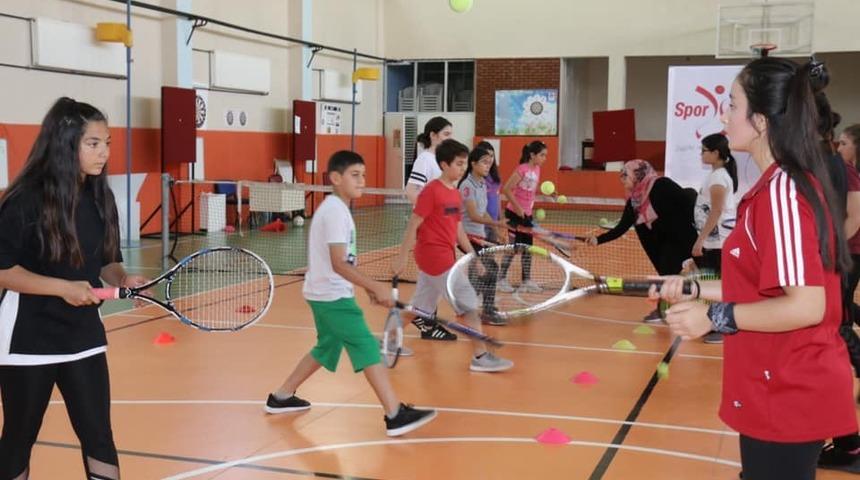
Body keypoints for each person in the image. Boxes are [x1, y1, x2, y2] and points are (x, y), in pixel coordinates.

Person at [652, 57, 857, 480]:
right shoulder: (778, 184)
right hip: (776, 383)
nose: (723, 114)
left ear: (760, 120)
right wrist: (694, 289)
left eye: (731, 104)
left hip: (788, 388)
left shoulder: (782, 191)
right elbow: (762, 287)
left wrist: (713, 317)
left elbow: (806, 306)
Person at [0, 97, 150, 480]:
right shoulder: (23, 200)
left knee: (99, 435)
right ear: (66, 144)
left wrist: (122, 278)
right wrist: (60, 288)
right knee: (18, 439)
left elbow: (105, 262)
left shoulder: (101, 198)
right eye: (93, 143)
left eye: (108, 143)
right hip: (27, 339)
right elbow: (3, 270)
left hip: (84, 335)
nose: (104, 153)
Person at [265, 150, 436, 437]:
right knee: (367, 347)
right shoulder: (334, 211)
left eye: (364, 175)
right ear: (335, 178)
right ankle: (395, 414)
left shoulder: (339, 209)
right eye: (355, 175)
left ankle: (281, 397)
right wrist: (374, 286)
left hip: (327, 292)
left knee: (326, 348)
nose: (362, 181)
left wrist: (365, 287)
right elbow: (338, 261)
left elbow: (345, 262)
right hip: (331, 296)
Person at [393, 139, 513, 372]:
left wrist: (473, 257)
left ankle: (387, 341)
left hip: (444, 253)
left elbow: (458, 230)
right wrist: (401, 256)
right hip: (433, 255)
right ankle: (480, 356)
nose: (462, 168)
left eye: (464, 163)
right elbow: (414, 222)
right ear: (444, 165)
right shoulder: (431, 191)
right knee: (467, 302)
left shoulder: (455, 194)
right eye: (458, 164)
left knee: (420, 308)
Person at [587, 159, 698, 323]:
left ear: (637, 175)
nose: (622, 180)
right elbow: (622, 226)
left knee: (684, 274)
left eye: (625, 176)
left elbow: (689, 196)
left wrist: (700, 232)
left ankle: (671, 310)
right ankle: (672, 309)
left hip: (681, 237)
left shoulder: (662, 185)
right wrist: (598, 239)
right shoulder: (634, 201)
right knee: (668, 275)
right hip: (658, 245)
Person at [403, 116, 457, 341]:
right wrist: (430, 212)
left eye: (450, 135)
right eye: (445, 134)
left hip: (444, 228)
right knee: (440, 275)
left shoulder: (444, 161)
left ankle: (424, 320)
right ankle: (426, 321)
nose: (449, 139)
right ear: (433, 135)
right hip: (429, 229)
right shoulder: (425, 159)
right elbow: (411, 191)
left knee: (430, 280)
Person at [692, 133, 739, 344]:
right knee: (712, 280)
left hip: (719, 241)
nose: (701, 154)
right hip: (714, 241)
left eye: (704, 150)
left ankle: (721, 326)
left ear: (716, 153)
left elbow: (716, 211)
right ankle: (715, 323)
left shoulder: (719, 177)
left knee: (718, 283)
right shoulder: (715, 176)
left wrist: (700, 240)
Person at [458, 147, 507, 326]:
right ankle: (484, 310)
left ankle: (469, 306)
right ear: (473, 164)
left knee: (485, 272)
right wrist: (496, 224)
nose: (488, 166)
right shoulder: (466, 186)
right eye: (484, 162)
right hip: (467, 236)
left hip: (480, 235)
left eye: (490, 162)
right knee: (490, 269)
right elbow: (472, 215)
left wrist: (497, 228)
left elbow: (483, 213)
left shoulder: (482, 183)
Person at [497, 141, 547, 294]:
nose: (544, 158)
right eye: (542, 155)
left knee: (527, 249)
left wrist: (547, 194)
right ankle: (501, 279)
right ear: (532, 155)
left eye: (545, 155)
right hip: (514, 214)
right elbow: (506, 189)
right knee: (513, 248)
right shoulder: (522, 169)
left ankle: (526, 280)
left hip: (527, 215)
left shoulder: (537, 169)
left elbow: (530, 189)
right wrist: (518, 208)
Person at [475, 141, 503, 242]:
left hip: (494, 223)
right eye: (486, 156)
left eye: (492, 156)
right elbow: (479, 205)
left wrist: (500, 218)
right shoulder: (476, 178)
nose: (490, 159)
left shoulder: (495, 177)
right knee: (478, 255)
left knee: (490, 256)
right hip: (480, 225)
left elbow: (497, 196)